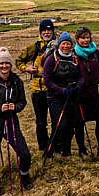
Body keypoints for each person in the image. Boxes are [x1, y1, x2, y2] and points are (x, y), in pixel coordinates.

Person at [0, 48, 33, 195]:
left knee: (25, 154)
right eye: (1, 63)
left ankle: (24, 176)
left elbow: (23, 102)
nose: (4, 66)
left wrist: (15, 107)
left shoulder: (17, 81)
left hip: (11, 123)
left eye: (7, 63)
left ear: (10, 65)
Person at [41, 32, 87, 157]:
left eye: (68, 43)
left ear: (72, 45)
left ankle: (70, 150)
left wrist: (77, 86)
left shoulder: (75, 58)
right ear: (59, 45)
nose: (66, 46)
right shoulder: (52, 58)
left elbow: (82, 76)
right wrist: (61, 90)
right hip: (55, 97)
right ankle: (49, 151)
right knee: (60, 124)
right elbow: (47, 80)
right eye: (63, 43)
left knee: (76, 123)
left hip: (72, 94)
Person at [16, 19, 56, 152]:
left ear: (53, 31)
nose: (46, 32)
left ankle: (56, 144)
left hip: (55, 89)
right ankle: (43, 146)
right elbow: (18, 61)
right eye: (44, 30)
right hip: (38, 89)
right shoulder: (34, 47)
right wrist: (26, 68)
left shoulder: (59, 45)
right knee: (41, 121)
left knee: (57, 120)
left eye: (49, 30)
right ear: (40, 31)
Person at [73, 26, 99, 156]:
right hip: (79, 94)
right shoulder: (73, 54)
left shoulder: (95, 52)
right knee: (79, 122)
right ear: (77, 39)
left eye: (87, 37)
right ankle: (82, 149)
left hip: (93, 93)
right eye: (82, 37)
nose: (85, 40)